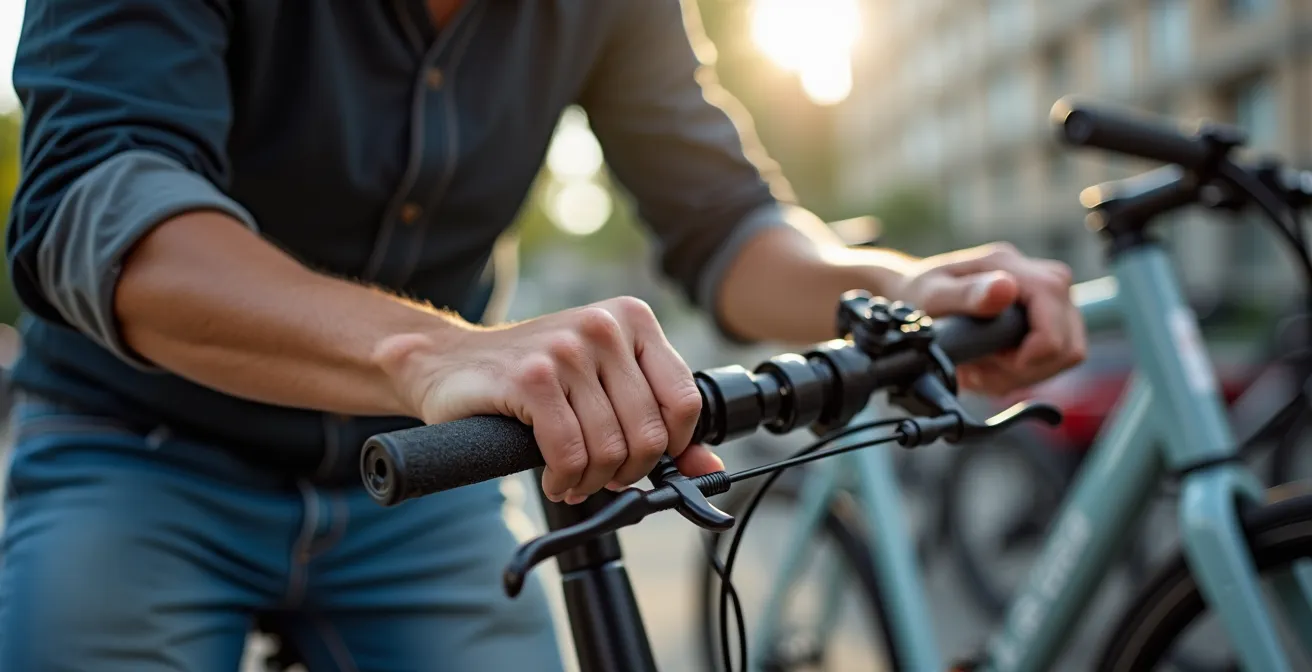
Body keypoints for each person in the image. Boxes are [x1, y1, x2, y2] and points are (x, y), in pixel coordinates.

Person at [0, 0, 1086, 669]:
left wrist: (895, 286)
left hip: (427, 488)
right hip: (140, 452)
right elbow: (99, 205)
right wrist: (436, 353)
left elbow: (721, 222)